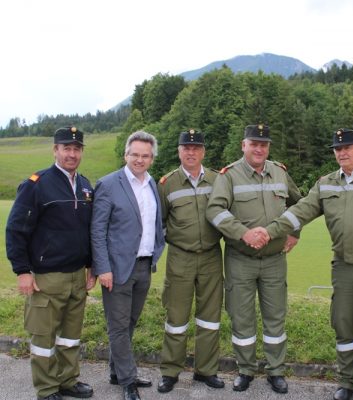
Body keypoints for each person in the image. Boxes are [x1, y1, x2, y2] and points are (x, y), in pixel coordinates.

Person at [251, 128, 353, 400]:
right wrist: (270, 231)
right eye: (337, 149)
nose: (342, 153)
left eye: (347, 148)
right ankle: (347, 383)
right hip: (343, 267)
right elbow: (301, 211)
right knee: (345, 328)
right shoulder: (326, 183)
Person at [206, 123, 302, 394]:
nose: (259, 148)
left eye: (264, 144)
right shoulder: (229, 176)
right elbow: (215, 210)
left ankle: (276, 371)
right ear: (243, 145)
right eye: (254, 143)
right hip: (240, 259)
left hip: (274, 260)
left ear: (268, 147)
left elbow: (298, 203)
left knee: (275, 317)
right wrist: (243, 234)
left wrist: (295, 232)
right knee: (242, 318)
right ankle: (245, 369)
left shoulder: (280, 173)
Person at [6, 126, 96, 400]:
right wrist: (22, 271)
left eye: (76, 148)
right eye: (66, 148)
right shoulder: (37, 183)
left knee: (70, 336)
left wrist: (91, 265)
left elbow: (89, 230)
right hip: (47, 277)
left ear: (81, 151)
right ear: (55, 150)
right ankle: (46, 389)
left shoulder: (85, 186)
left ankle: (68, 380)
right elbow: (16, 229)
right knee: (44, 338)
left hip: (76, 276)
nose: (71, 153)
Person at [91, 130, 166, 400]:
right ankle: (127, 380)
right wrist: (103, 268)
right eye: (135, 154)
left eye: (145, 155)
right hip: (117, 268)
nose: (139, 159)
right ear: (126, 154)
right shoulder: (109, 184)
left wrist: (158, 248)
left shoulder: (152, 184)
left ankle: (116, 371)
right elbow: (97, 230)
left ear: (151, 159)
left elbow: (155, 223)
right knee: (119, 326)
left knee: (130, 322)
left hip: (145, 265)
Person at [156, 129, 224, 393]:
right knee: (176, 317)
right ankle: (170, 371)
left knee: (210, 318)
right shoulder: (167, 184)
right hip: (180, 258)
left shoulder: (218, 180)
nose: (191, 152)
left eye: (196, 149)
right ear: (179, 151)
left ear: (203, 152)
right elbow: (160, 222)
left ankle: (206, 370)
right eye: (186, 148)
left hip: (210, 256)